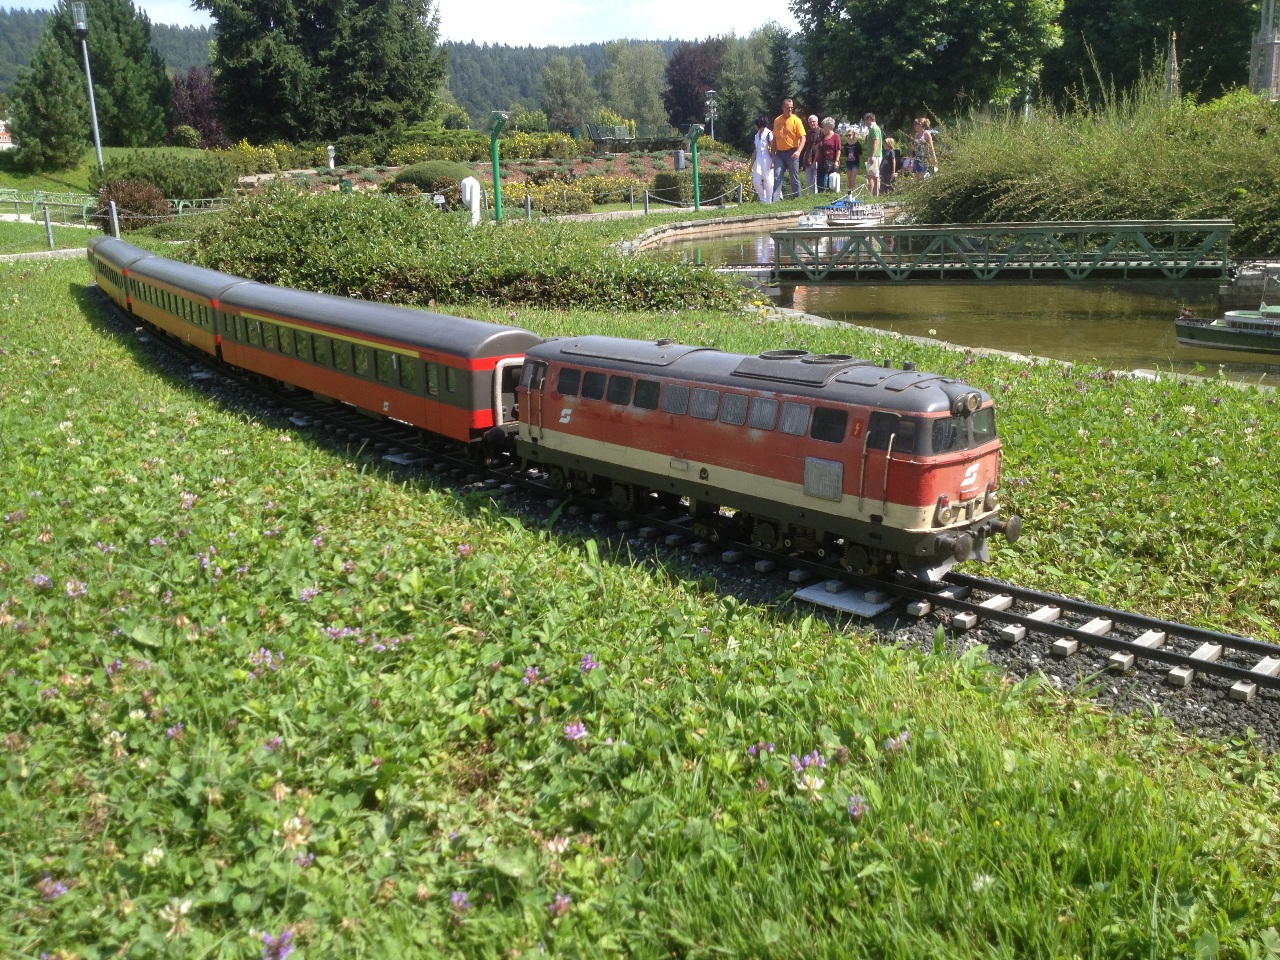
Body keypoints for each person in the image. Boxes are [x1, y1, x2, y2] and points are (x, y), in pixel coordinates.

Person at [771, 98, 806, 201]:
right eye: (787, 107)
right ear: (783, 108)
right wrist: (772, 156)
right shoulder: (777, 120)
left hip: (792, 152)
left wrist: (798, 151)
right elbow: (774, 139)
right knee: (777, 176)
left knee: (794, 177)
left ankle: (797, 200)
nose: (790, 109)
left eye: (791, 107)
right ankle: (775, 201)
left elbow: (803, 137)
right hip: (779, 153)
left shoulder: (796, 120)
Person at [751, 116, 774, 203]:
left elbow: (773, 148)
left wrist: (773, 161)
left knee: (768, 181)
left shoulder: (769, 134)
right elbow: (755, 150)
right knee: (756, 182)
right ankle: (762, 199)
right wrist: (751, 163)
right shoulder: (756, 135)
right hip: (758, 161)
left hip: (767, 160)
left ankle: (768, 201)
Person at [817, 117, 842, 192]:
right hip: (821, 161)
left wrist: (837, 161)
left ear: (829, 127)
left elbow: (838, 150)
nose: (823, 128)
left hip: (831, 162)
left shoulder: (836, 136)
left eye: (824, 126)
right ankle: (820, 194)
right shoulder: (822, 137)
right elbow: (818, 149)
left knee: (831, 182)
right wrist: (815, 161)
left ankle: (830, 194)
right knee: (820, 182)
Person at [800, 114, 822, 194]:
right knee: (809, 182)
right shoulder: (808, 133)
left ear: (817, 122)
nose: (812, 123)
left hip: (817, 160)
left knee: (815, 181)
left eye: (813, 121)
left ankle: (815, 197)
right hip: (808, 159)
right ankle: (811, 197)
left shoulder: (821, 131)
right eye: (810, 122)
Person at [863, 112, 882, 197]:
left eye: (865, 120)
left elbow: (876, 142)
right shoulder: (872, 129)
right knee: (872, 175)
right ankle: (873, 194)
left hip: (875, 156)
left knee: (872, 176)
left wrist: (872, 156)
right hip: (873, 156)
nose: (865, 122)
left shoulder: (874, 128)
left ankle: (871, 195)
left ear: (869, 119)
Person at [843, 124, 862, 194]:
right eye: (847, 135)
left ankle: (853, 193)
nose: (848, 137)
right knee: (849, 180)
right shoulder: (846, 145)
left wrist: (859, 164)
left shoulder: (857, 144)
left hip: (855, 163)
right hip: (848, 163)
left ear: (853, 135)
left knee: (852, 179)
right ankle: (849, 194)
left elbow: (860, 155)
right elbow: (846, 155)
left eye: (849, 135)